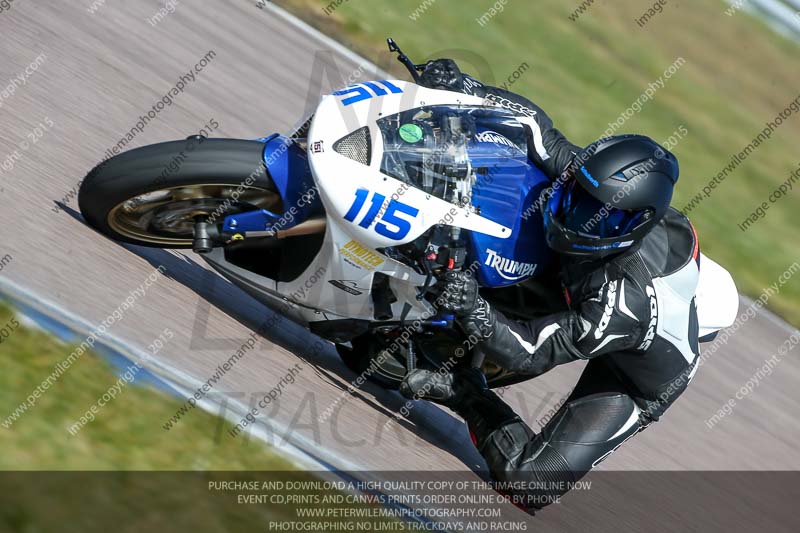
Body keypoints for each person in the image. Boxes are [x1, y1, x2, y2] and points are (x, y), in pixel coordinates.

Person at [401, 59, 699, 512]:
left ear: (632, 225)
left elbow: (531, 350)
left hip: (631, 369)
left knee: (529, 484)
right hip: (572, 286)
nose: (577, 213)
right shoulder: (598, 186)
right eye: (578, 194)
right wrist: (463, 85)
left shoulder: (622, 304)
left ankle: (468, 389)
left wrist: (472, 307)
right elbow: (536, 129)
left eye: (596, 213)